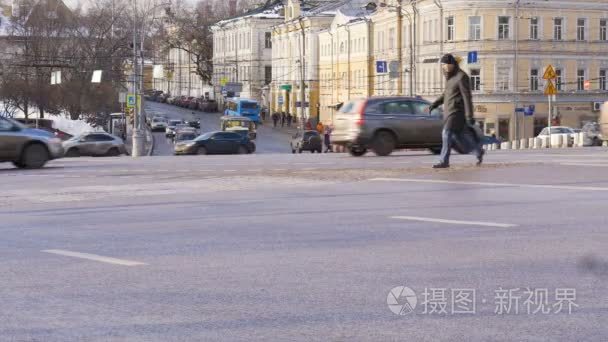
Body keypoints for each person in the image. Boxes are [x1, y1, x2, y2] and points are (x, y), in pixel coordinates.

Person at [429, 53, 484, 169]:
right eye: (443, 65)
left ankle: (444, 161)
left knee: (446, 133)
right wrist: (435, 104)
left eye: (446, 65)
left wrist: (469, 115)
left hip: (457, 112)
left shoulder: (461, 77)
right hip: (449, 111)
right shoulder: (450, 77)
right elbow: (446, 94)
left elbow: (467, 97)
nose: (444, 67)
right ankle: (478, 151)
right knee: (459, 137)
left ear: (452, 64)